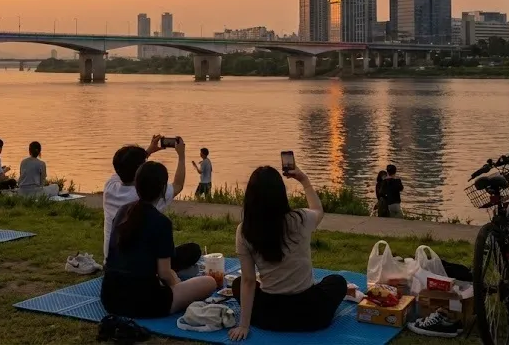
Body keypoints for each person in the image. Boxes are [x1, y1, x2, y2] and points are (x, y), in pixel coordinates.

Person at [229, 165, 346, 340]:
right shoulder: (301, 219)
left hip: (269, 317)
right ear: (281, 194)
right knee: (337, 281)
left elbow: (248, 281)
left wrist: (244, 325)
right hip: (311, 316)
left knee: (238, 283)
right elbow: (318, 211)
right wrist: (304, 180)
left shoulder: (245, 230)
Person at [101, 161, 218, 318]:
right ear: (163, 189)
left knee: (187, 255)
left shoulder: (123, 211)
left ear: (137, 185)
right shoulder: (161, 222)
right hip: (144, 303)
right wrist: (178, 287)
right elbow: (164, 273)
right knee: (209, 282)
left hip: (110, 298)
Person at [102, 135, 198, 271]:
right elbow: (178, 185)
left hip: (112, 264)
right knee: (193, 250)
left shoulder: (109, 188)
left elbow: (125, 167)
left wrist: (148, 151)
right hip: (143, 268)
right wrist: (181, 156)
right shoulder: (146, 195)